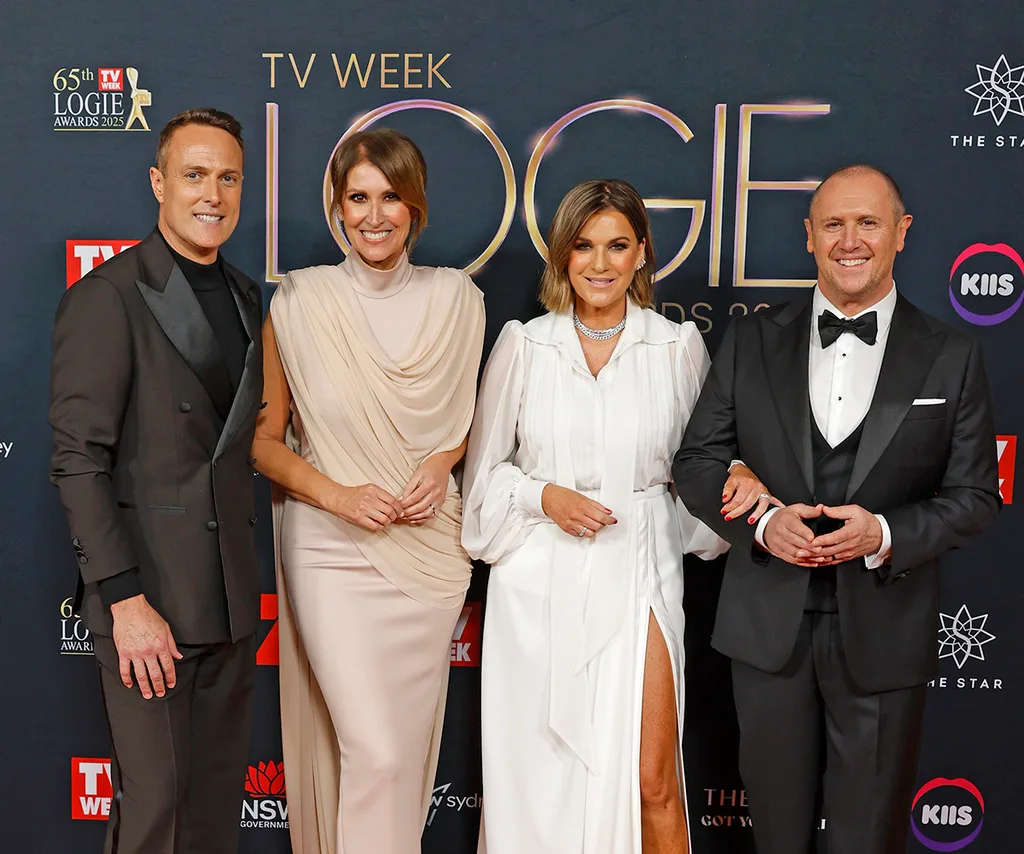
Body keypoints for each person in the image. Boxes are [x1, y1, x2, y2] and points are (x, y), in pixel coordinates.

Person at [673, 165, 1001, 854]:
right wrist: (762, 523)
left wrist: (881, 532)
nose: (850, 241)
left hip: (885, 629)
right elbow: (696, 464)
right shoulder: (753, 339)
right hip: (766, 631)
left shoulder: (953, 354)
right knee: (777, 838)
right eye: (833, 224)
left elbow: (975, 497)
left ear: (901, 233)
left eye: (868, 222)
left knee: (867, 839)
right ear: (809, 236)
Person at [462, 179, 773, 854]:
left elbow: (704, 465)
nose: (599, 264)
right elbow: (482, 481)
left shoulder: (674, 346)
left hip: (641, 576)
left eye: (617, 246)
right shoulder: (525, 344)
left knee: (654, 779)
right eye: (584, 246)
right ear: (562, 256)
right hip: (535, 588)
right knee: (536, 787)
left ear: (641, 256)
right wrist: (543, 495)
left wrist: (739, 471)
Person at [252, 128, 486, 854]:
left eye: (390, 197)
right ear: (337, 206)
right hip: (330, 548)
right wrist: (339, 496)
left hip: (428, 551)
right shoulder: (299, 300)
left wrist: (446, 457)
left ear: (415, 207)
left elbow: (479, 427)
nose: (374, 215)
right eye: (358, 198)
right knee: (376, 752)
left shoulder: (458, 299)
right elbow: (262, 444)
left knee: (396, 763)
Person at [49, 108, 262, 854]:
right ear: (158, 183)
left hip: (231, 605)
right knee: (157, 817)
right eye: (195, 175)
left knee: (208, 820)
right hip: (151, 610)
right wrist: (125, 600)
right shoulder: (107, 296)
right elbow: (78, 460)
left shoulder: (243, 294)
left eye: (229, 177)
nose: (213, 194)